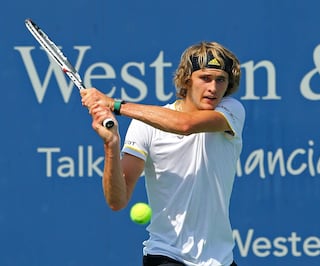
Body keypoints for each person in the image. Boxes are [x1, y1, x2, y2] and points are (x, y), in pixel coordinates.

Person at [81, 41, 245, 266]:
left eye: (221, 80)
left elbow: (184, 125)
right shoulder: (145, 126)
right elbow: (117, 200)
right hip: (166, 256)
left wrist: (115, 105)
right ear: (187, 79)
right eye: (205, 78)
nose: (214, 88)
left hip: (220, 260)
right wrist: (111, 144)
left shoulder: (231, 112)